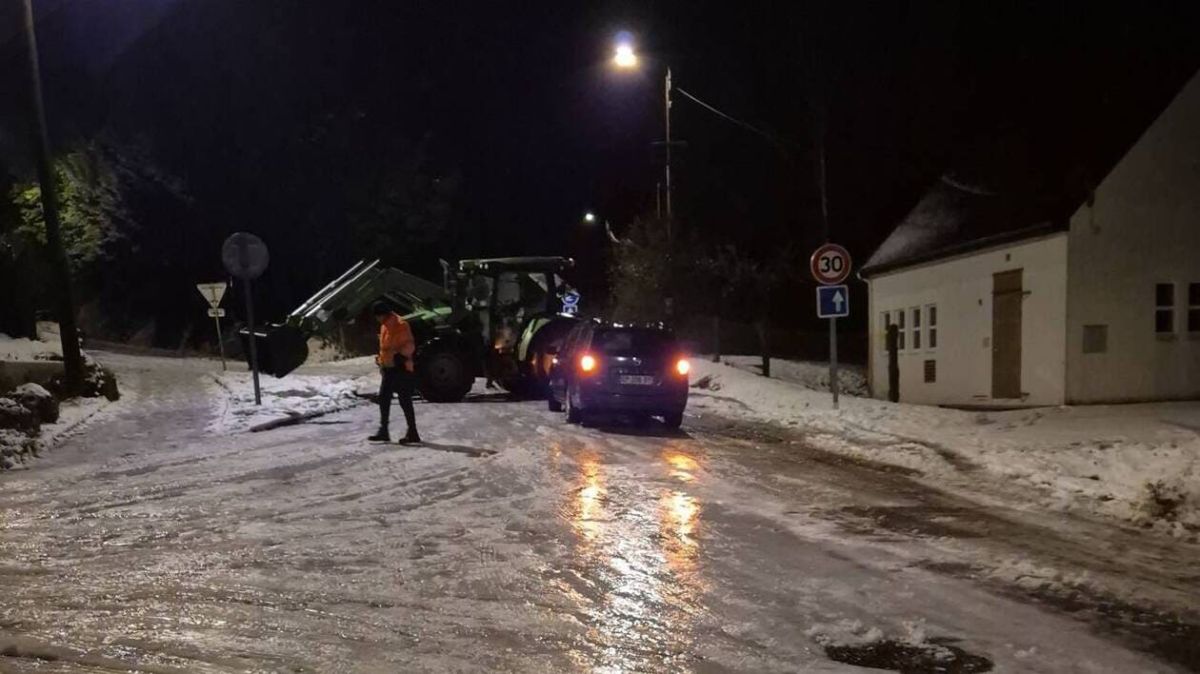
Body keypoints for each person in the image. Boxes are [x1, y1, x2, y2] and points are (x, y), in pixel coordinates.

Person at [368, 301, 420, 444]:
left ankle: (412, 432)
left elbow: (409, 344)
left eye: (377, 316)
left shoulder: (400, 324)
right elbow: (385, 347)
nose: (376, 319)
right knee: (384, 398)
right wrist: (381, 360)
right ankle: (384, 430)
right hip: (388, 367)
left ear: (382, 314)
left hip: (400, 368)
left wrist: (401, 356)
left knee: (404, 399)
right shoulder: (384, 325)